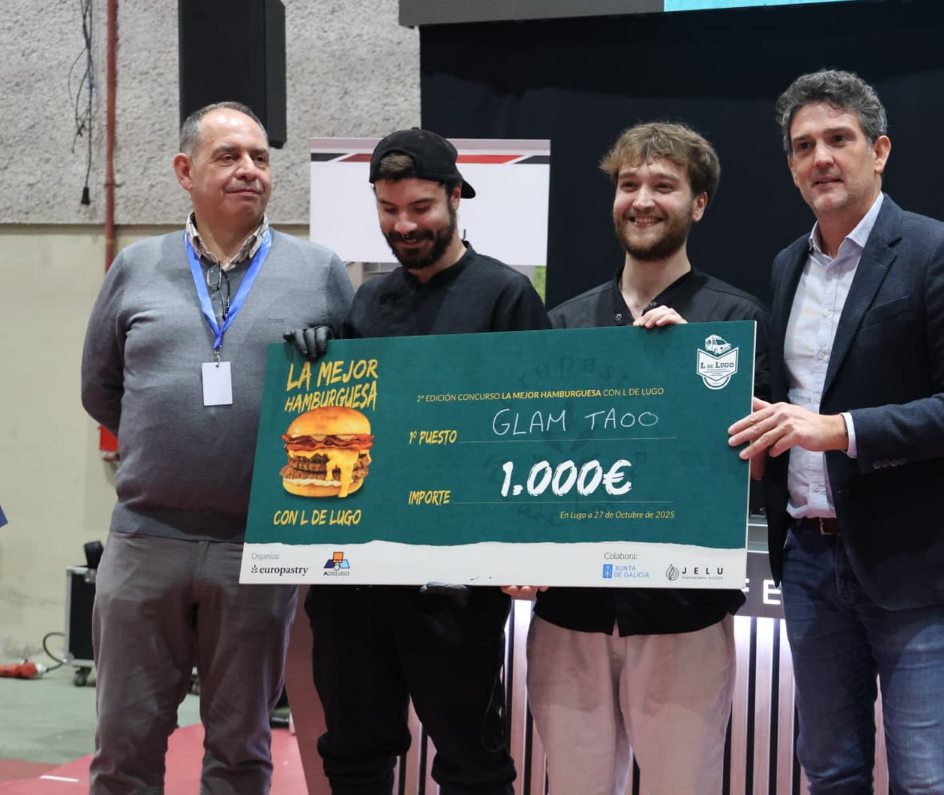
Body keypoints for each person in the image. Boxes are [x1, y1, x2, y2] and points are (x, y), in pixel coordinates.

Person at [727, 69, 944, 793]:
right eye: (803, 146)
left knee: (925, 778)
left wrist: (841, 430)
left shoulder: (942, 252)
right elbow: (781, 406)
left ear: (879, 151)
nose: (821, 157)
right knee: (829, 772)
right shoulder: (788, 265)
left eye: (839, 139)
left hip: (914, 560)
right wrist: (673, 358)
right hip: (809, 560)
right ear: (790, 166)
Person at [80, 101, 353, 794]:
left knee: (241, 749)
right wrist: (171, 447)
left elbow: (351, 399)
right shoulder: (136, 267)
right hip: (146, 539)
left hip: (257, 546)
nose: (249, 170)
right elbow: (100, 389)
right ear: (185, 170)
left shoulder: (319, 272)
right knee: (124, 745)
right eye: (228, 156)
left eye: (260, 157)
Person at [525, 122, 769, 795]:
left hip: (682, 614)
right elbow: (533, 461)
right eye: (628, 184)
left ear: (699, 203)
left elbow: (759, 468)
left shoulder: (735, 321)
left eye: (664, 185)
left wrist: (697, 377)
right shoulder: (563, 324)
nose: (642, 200)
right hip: (569, 612)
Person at [305, 128, 549, 795]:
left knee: (471, 761)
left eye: (420, 207)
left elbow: (538, 432)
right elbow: (344, 426)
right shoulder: (366, 302)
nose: (404, 225)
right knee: (352, 752)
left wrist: (524, 545)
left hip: (455, 584)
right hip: (356, 577)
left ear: (456, 197)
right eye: (388, 210)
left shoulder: (506, 295)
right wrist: (318, 361)